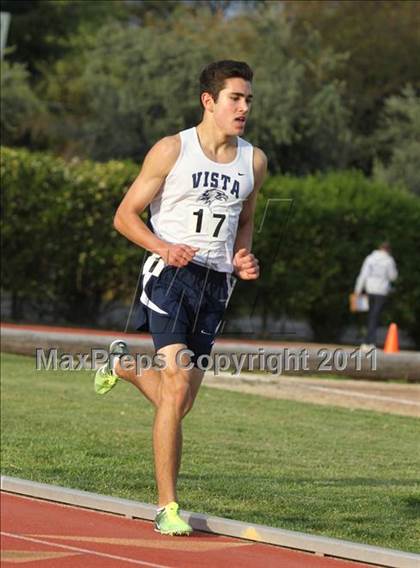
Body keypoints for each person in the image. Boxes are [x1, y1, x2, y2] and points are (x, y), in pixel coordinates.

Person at [94, 60, 267, 535]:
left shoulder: (254, 161)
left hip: (216, 285)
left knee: (181, 400)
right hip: (170, 276)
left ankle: (125, 366)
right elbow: (125, 216)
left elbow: (245, 221)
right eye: (235, 98)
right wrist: (163, 247)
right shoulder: (172, 150)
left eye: (249, 99)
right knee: (174, 386)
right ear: (208, 101)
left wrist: (241, 257)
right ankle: (167, 506)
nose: (244, 107)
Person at [354, 241, 398, 350]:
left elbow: (363, 274)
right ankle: (370, 342)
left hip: (369, 289)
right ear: (388, 250)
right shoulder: (389, 260)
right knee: (375, 316)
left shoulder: (370, 259)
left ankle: (366, 342)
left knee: (370, 316)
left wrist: (358, 290)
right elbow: (393, 276)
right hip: (381, 291)